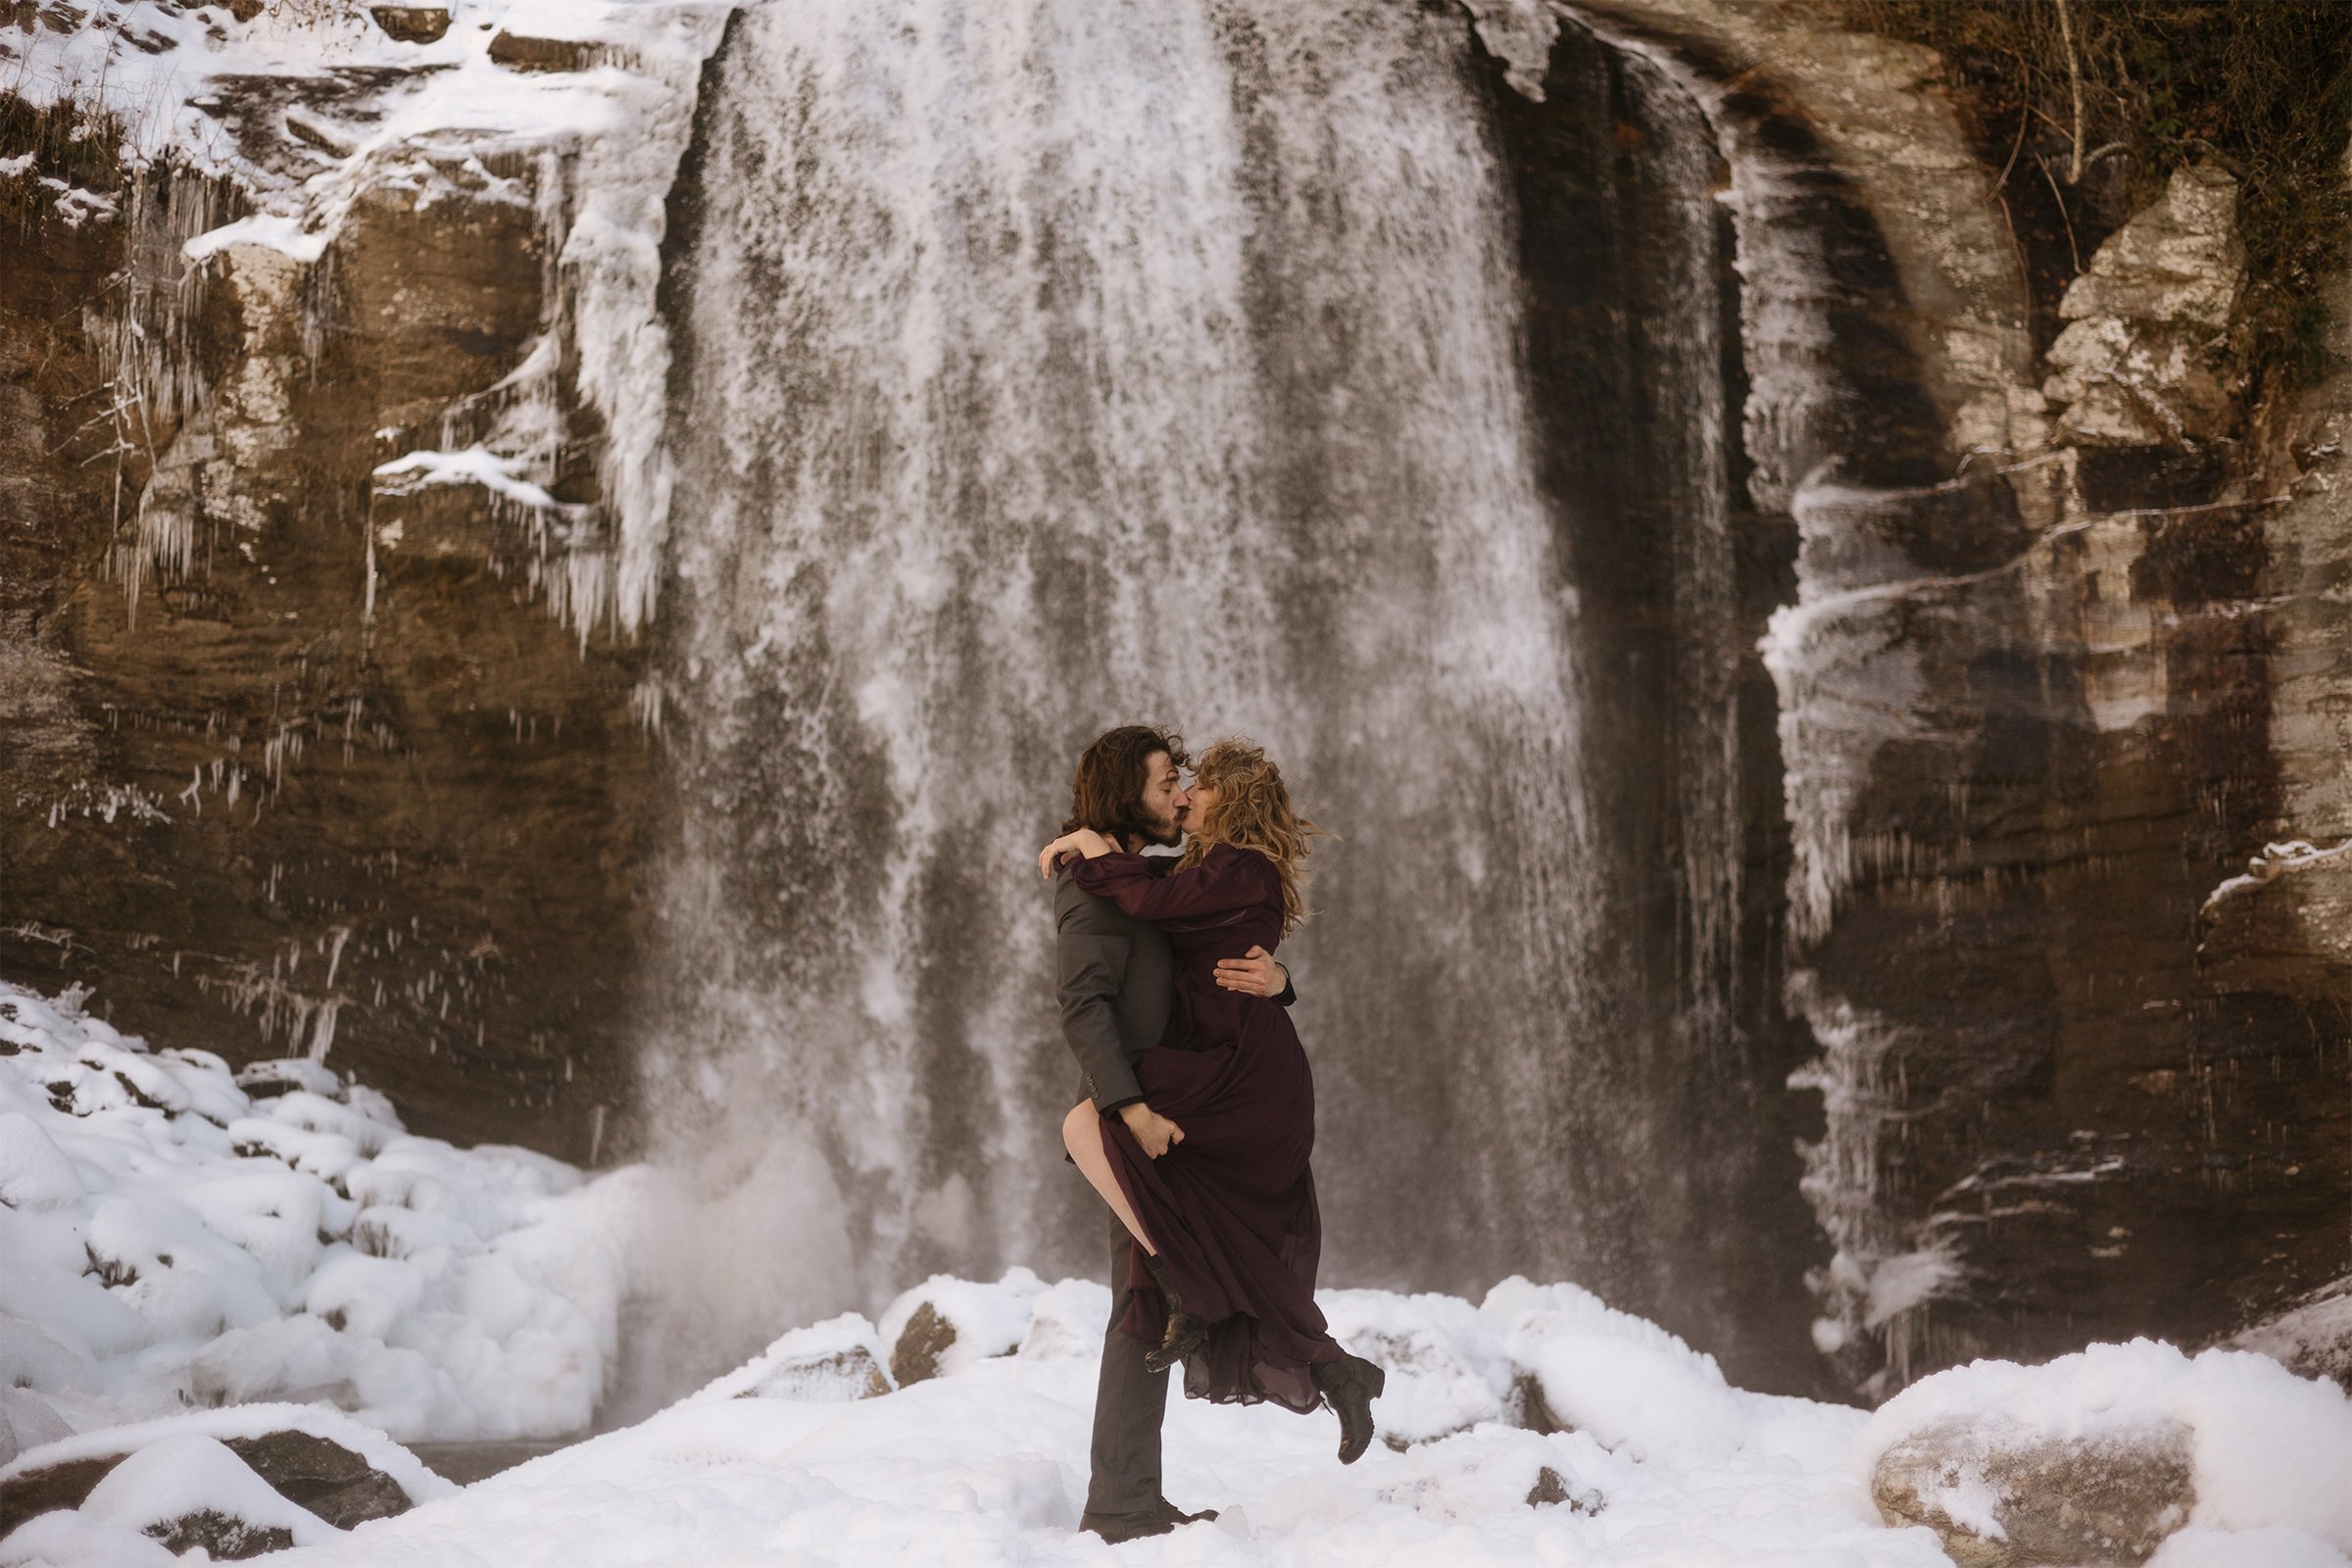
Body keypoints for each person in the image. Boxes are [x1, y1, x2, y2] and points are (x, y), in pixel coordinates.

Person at [1042, 735, 1384, 1530]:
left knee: (1158, 1286)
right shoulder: (1098, 889)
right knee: (1160, 1281)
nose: (1181, 795)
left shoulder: (1168, 875)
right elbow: (1084, 1006)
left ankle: (1125, 1502)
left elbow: (1205, 924)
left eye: (1188, 783)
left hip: (1209, 1089)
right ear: (1129, 791)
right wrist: (1129, 1107)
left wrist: (1284, 980)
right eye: (1167, 783)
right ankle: (1323, 1372)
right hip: (1152, 1100)